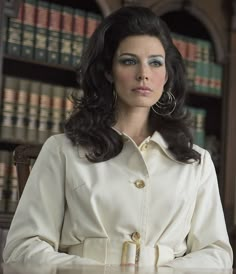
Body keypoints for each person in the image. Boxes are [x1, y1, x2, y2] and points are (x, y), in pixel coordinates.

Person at [3, 6, 233, 268]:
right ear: (108, 71)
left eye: (155, 62)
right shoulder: (61, 151)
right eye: (129, 61)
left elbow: (217, 255)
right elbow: (22, 249)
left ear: (166, 75)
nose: (143, 73)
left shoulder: (198, 163)